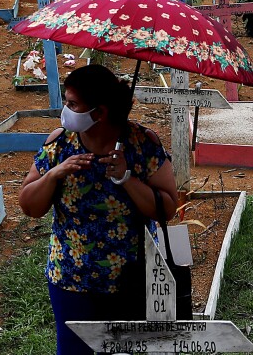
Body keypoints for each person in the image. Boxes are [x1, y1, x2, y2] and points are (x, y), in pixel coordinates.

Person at [18, 64, 178, 355]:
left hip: (130, 280)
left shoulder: (142, 145)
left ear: (100, 113)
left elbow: (166, 208)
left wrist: (127, 178)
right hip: (71, 278)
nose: (65, 110)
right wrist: (55, 174)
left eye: (73, 104)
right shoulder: (60, 144)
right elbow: (29, 205)